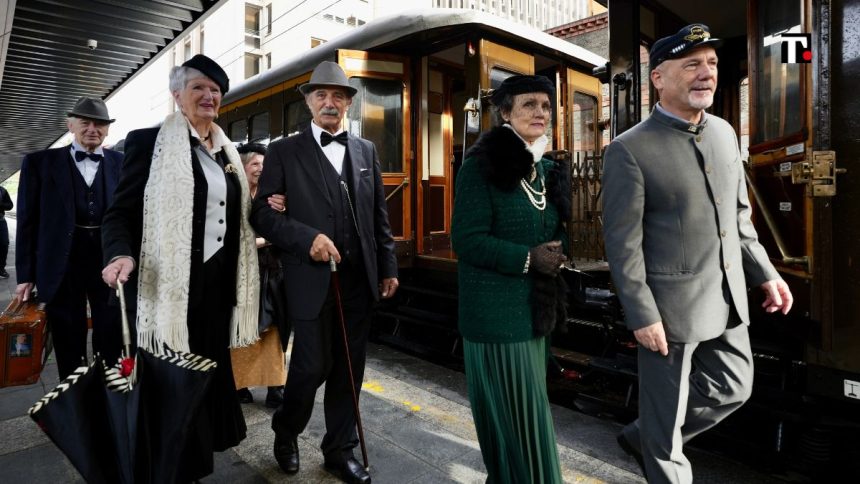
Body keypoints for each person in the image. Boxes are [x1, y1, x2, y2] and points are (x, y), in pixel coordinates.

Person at [601, 24, 794, 484]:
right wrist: (641, 314)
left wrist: (765, 273)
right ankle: (659, 450)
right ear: (659, 79)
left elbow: (739, 218)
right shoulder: (629, 150)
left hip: (727, 297)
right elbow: (622, 245)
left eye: (711, 64)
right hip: (668, 310)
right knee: (667, 427)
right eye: (691, 65)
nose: (706, 74)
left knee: (734, 386)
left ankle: (646, 438)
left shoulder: (726, 133)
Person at [100, 54, 275, 482]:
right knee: (171, 382)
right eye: (198, 87)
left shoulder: (229, 154)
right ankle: (169, 465)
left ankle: (191, 466)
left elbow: (241, 217)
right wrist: (118, 253)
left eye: (215, 90)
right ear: (177, 95)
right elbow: (119, 214)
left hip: (217, 293)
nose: (209, 96)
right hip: (168, 293)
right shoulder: (147, 143)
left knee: (203, 380)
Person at [251, 60, 399, 484]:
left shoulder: (366, 150)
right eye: (322, 96)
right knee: (311, 367)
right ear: (310, 103)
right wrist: (305, 237)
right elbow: (262, 215)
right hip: (310, 280)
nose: (330, 103)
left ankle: (339, 450)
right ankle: (286, 430)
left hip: (357, 280)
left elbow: (378, 218)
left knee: (349, 371)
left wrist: (386, 266)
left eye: (338, 96)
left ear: (349, 103)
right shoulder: (282, 150)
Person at [451, 74, 569, 483]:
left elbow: (552, 230)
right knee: (524, 427)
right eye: (529, 105)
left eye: (546, 106)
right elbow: (466, 241)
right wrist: (528, 259)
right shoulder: (479, 168)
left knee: (517, 429)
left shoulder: (548, 170)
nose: (540, 112)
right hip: (495, 319)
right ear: (505, 112)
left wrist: (556, 251)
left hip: (535, 316)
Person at [15, 97, 123, 379]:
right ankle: (74, 399)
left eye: (99, 123)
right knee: (67, 336)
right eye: (85, 122)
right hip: (61, 263)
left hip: (108, 260)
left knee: (111, 332)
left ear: (107, 129)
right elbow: (27, 221)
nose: (92, 128)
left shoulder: (122, 163)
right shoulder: (39, 163)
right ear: (70, 125)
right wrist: (25, 275)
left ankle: (108, 391)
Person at [231, 142, 288, 408]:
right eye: (255, 164)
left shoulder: (273, 196)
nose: (260, 169)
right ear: (243, 166)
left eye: (264, 165)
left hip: (271, 274)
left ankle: (276, 386)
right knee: (242, 329)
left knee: (274, 330)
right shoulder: (232, 193)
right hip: (240, 275)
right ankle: (239, 384)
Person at [0, 185, 12, 278]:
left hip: (1, 221)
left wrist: (0, 204)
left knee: (4, 244)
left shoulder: (2, 190)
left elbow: (10, 205)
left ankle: (1, 268)